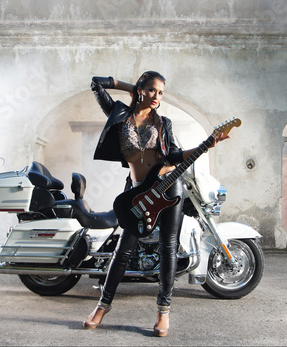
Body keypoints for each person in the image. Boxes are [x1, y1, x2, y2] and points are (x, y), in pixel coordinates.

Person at [83, 71, 228, 337]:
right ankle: (102, 306)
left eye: (160, 93)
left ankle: (163, 312)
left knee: (168, 247)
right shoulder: (119, 114)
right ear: (141, 89)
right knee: (124, 249)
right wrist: (131, 89)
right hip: (138, 190)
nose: (156, 97)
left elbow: (172, 154)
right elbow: (96, 83)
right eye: (151, 90)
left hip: (168, 187)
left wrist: (205, 145)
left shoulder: (163, 123)